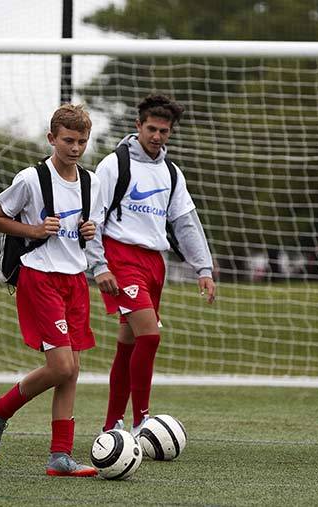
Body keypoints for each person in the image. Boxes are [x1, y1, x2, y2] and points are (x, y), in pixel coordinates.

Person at [0, 104, 101, 477]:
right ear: (52, 139)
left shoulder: (90, 181)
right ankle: (0, 409)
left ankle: (60, 456)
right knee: (61, 365)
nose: (75, 147)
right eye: (68, 140)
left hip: (75, 279)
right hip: (40, 276)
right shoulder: (31, 179)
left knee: (72, 370)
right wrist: (34, 230)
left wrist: (88, 232)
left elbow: (84, 228)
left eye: (82, 141)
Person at [86, 94, 216, 435]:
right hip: (121, 257)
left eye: (164, 131)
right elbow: (94, 218)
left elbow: (186, 222)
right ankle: (142, 420)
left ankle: (112, 424)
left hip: (154, 264)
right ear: (138, 126)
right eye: (152, 129)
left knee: (129, 344)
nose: (157, 136)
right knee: (150, 336)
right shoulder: (115, 164)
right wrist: (99, 266)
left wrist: (203, 268)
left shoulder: (172, 173)